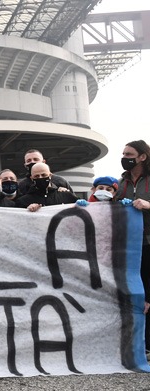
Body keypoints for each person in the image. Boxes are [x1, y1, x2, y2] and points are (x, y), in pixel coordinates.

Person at [115, 140, 150, 350]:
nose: (124, 157)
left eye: (129, 153)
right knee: (137, 293)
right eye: (123, 153)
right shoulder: (123, 182)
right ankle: (138, 342)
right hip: (130, 246)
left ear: (142, 157)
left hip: (149, 243)